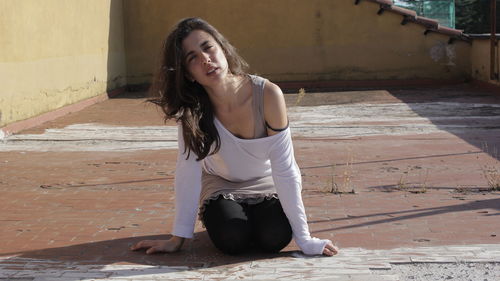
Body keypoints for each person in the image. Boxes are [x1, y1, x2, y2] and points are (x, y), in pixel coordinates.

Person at [130, 17, 338, 256]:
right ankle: (228, 217)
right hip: (220, 183)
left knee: (275, 237)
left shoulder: (268, 95)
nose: (205, 59)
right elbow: (188, 169)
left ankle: (254, 220)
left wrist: (305, 238)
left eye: (208, 48)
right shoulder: (192, 110)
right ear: (188, 74)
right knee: (232, 239)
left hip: (265, 182)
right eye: (192, 58)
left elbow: (285, 168)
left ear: (223, 49)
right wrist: (178, 237)